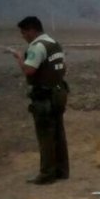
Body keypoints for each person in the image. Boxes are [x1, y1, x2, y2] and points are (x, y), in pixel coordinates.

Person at [7, 16, 69, 184]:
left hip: (45, 96)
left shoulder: (37, 47)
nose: (23, 36)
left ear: (32, 30)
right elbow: (63, 67)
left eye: (24, 32)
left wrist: (19, 57)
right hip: (59, 92)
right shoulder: (54, 44)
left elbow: (29, 70)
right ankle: (62, 170)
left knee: (45, 134)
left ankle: (47, 173)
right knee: (58, 132)